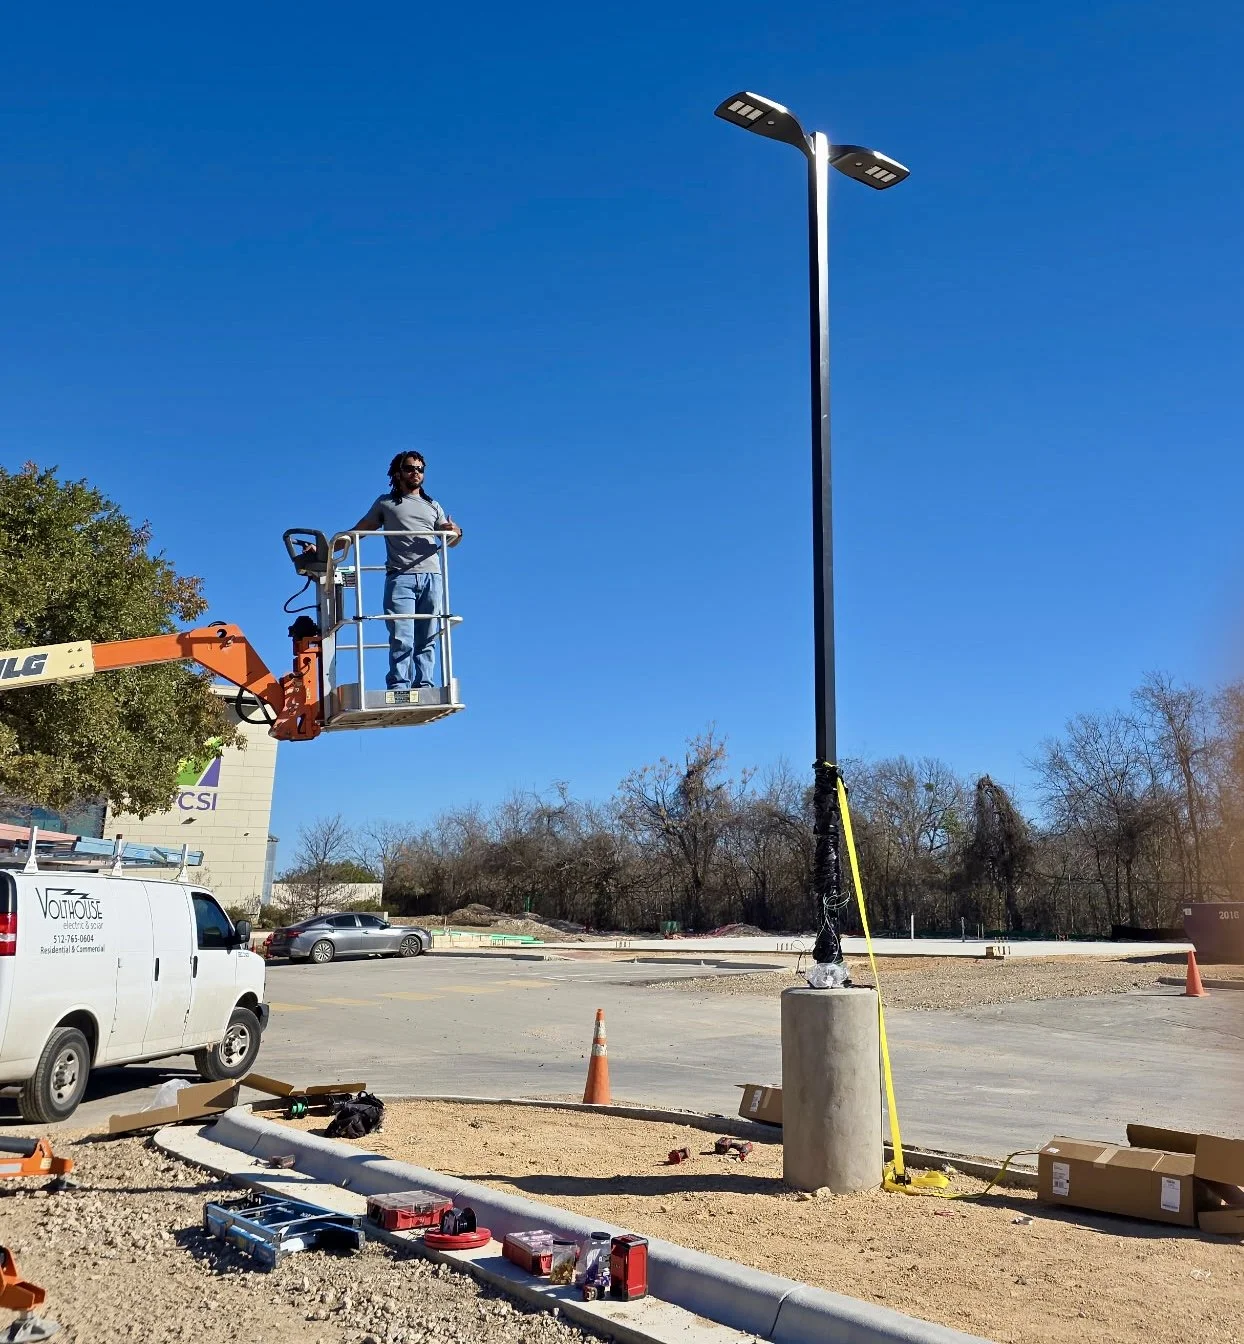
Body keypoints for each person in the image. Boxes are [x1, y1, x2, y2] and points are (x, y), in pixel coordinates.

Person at [351, 451, 461, 691]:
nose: (416, 473)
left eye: (420, 469)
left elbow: (450, 538)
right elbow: (358, 531)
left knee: (428, 634)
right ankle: (400, 685)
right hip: (401, 576)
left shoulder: (433, 504)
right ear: (398, 472)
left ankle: (424, 684)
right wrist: (330, 547)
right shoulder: (386, 503)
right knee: (402, 635)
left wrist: (456, 531)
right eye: (411, 468)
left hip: (432, 576)